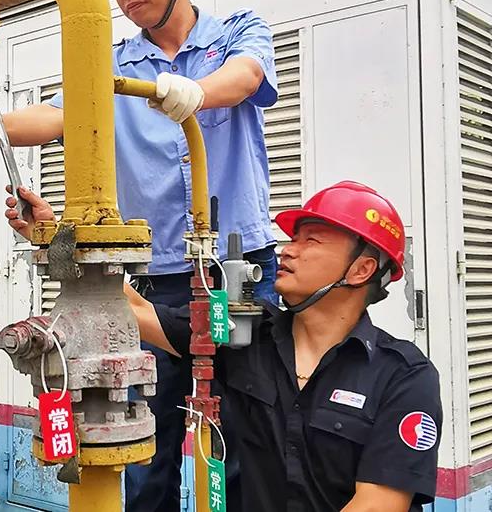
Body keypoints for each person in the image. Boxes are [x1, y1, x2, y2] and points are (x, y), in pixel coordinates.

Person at [0, 0, 279, 511]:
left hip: (236, 270)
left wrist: (195, 92)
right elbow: (60, 116)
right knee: (144, 443)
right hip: (153, 280)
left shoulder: (236, 32)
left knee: (248, 436)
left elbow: (247, 78)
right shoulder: (114, 64)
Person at [105, 180, 440, 512]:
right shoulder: (243, 335)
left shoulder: (404, 376)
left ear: (361, 270)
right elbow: (137, 311)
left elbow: (379, 504)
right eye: (294, 238)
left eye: (311, 240)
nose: (289, 250)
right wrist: (85, 244)